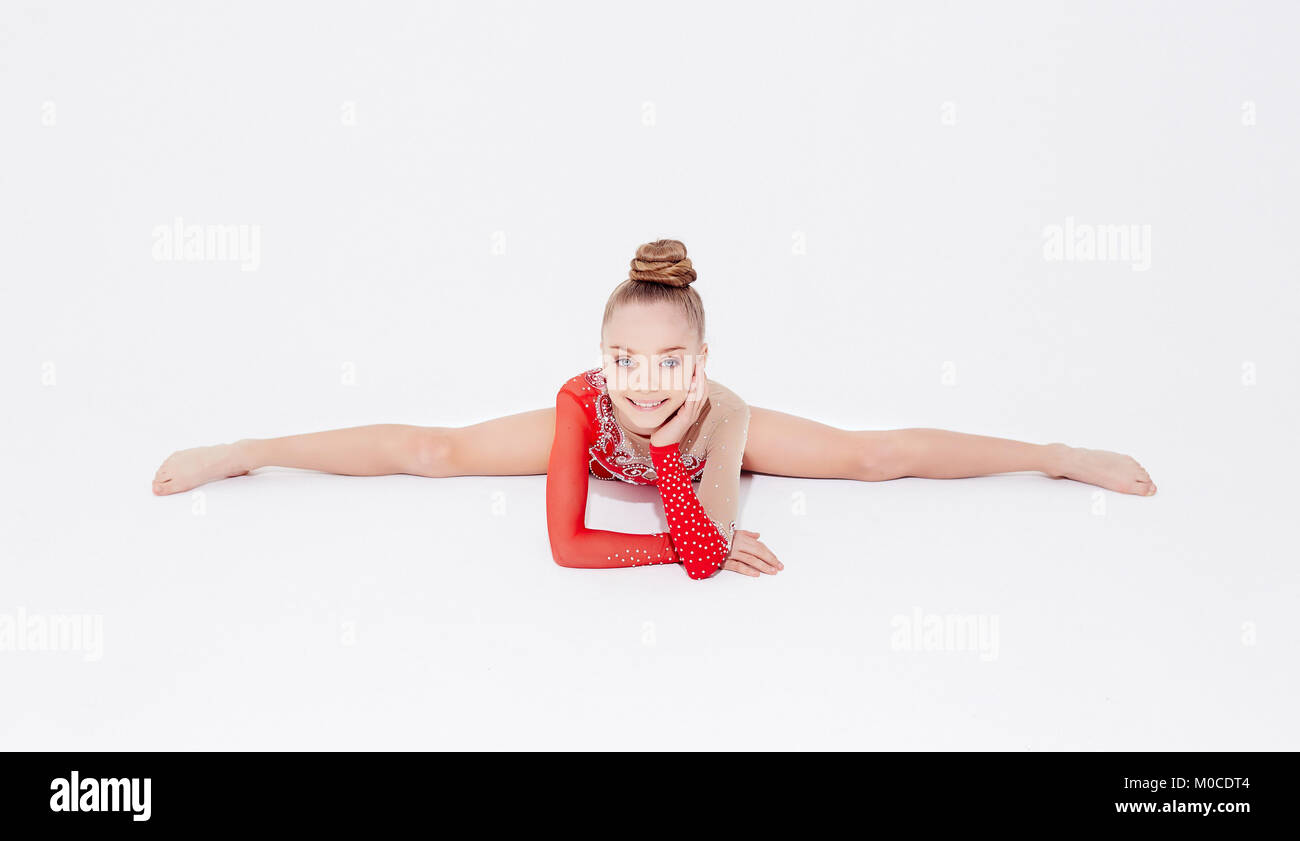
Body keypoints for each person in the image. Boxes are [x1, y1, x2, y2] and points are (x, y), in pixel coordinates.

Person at [152, 239, 1157, 579]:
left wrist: (681, 463)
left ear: (700, 361)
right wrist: (678, 539)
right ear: (603, 358)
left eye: (667, 361)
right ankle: (247, 449)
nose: (642, 379)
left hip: (698, 450)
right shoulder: (583, 405)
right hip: (598, 456)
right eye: (625, 357)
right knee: (435, 446)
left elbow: (710, 549)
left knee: (867, 458)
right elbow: (570, 549)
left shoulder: (720, 410)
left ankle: (1054, 453)